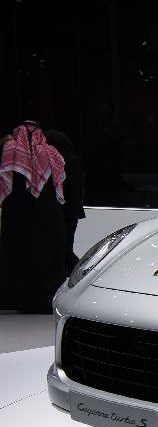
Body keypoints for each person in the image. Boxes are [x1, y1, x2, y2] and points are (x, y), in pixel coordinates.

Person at [0, 121, 68, 314]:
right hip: (48, 216)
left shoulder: (11, 149)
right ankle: (46, 300)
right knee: (47, 258)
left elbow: (5, 183)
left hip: (19, 215)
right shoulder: (51, 152)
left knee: (21, 256)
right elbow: (59, 183)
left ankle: (21, 301)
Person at [45, 130, 86, 274]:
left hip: (67, 211)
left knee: (65, 247)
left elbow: (67, 184)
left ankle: (79, 272)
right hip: (68, 210)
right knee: (64, 246)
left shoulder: (69, 161)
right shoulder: (68, 159)